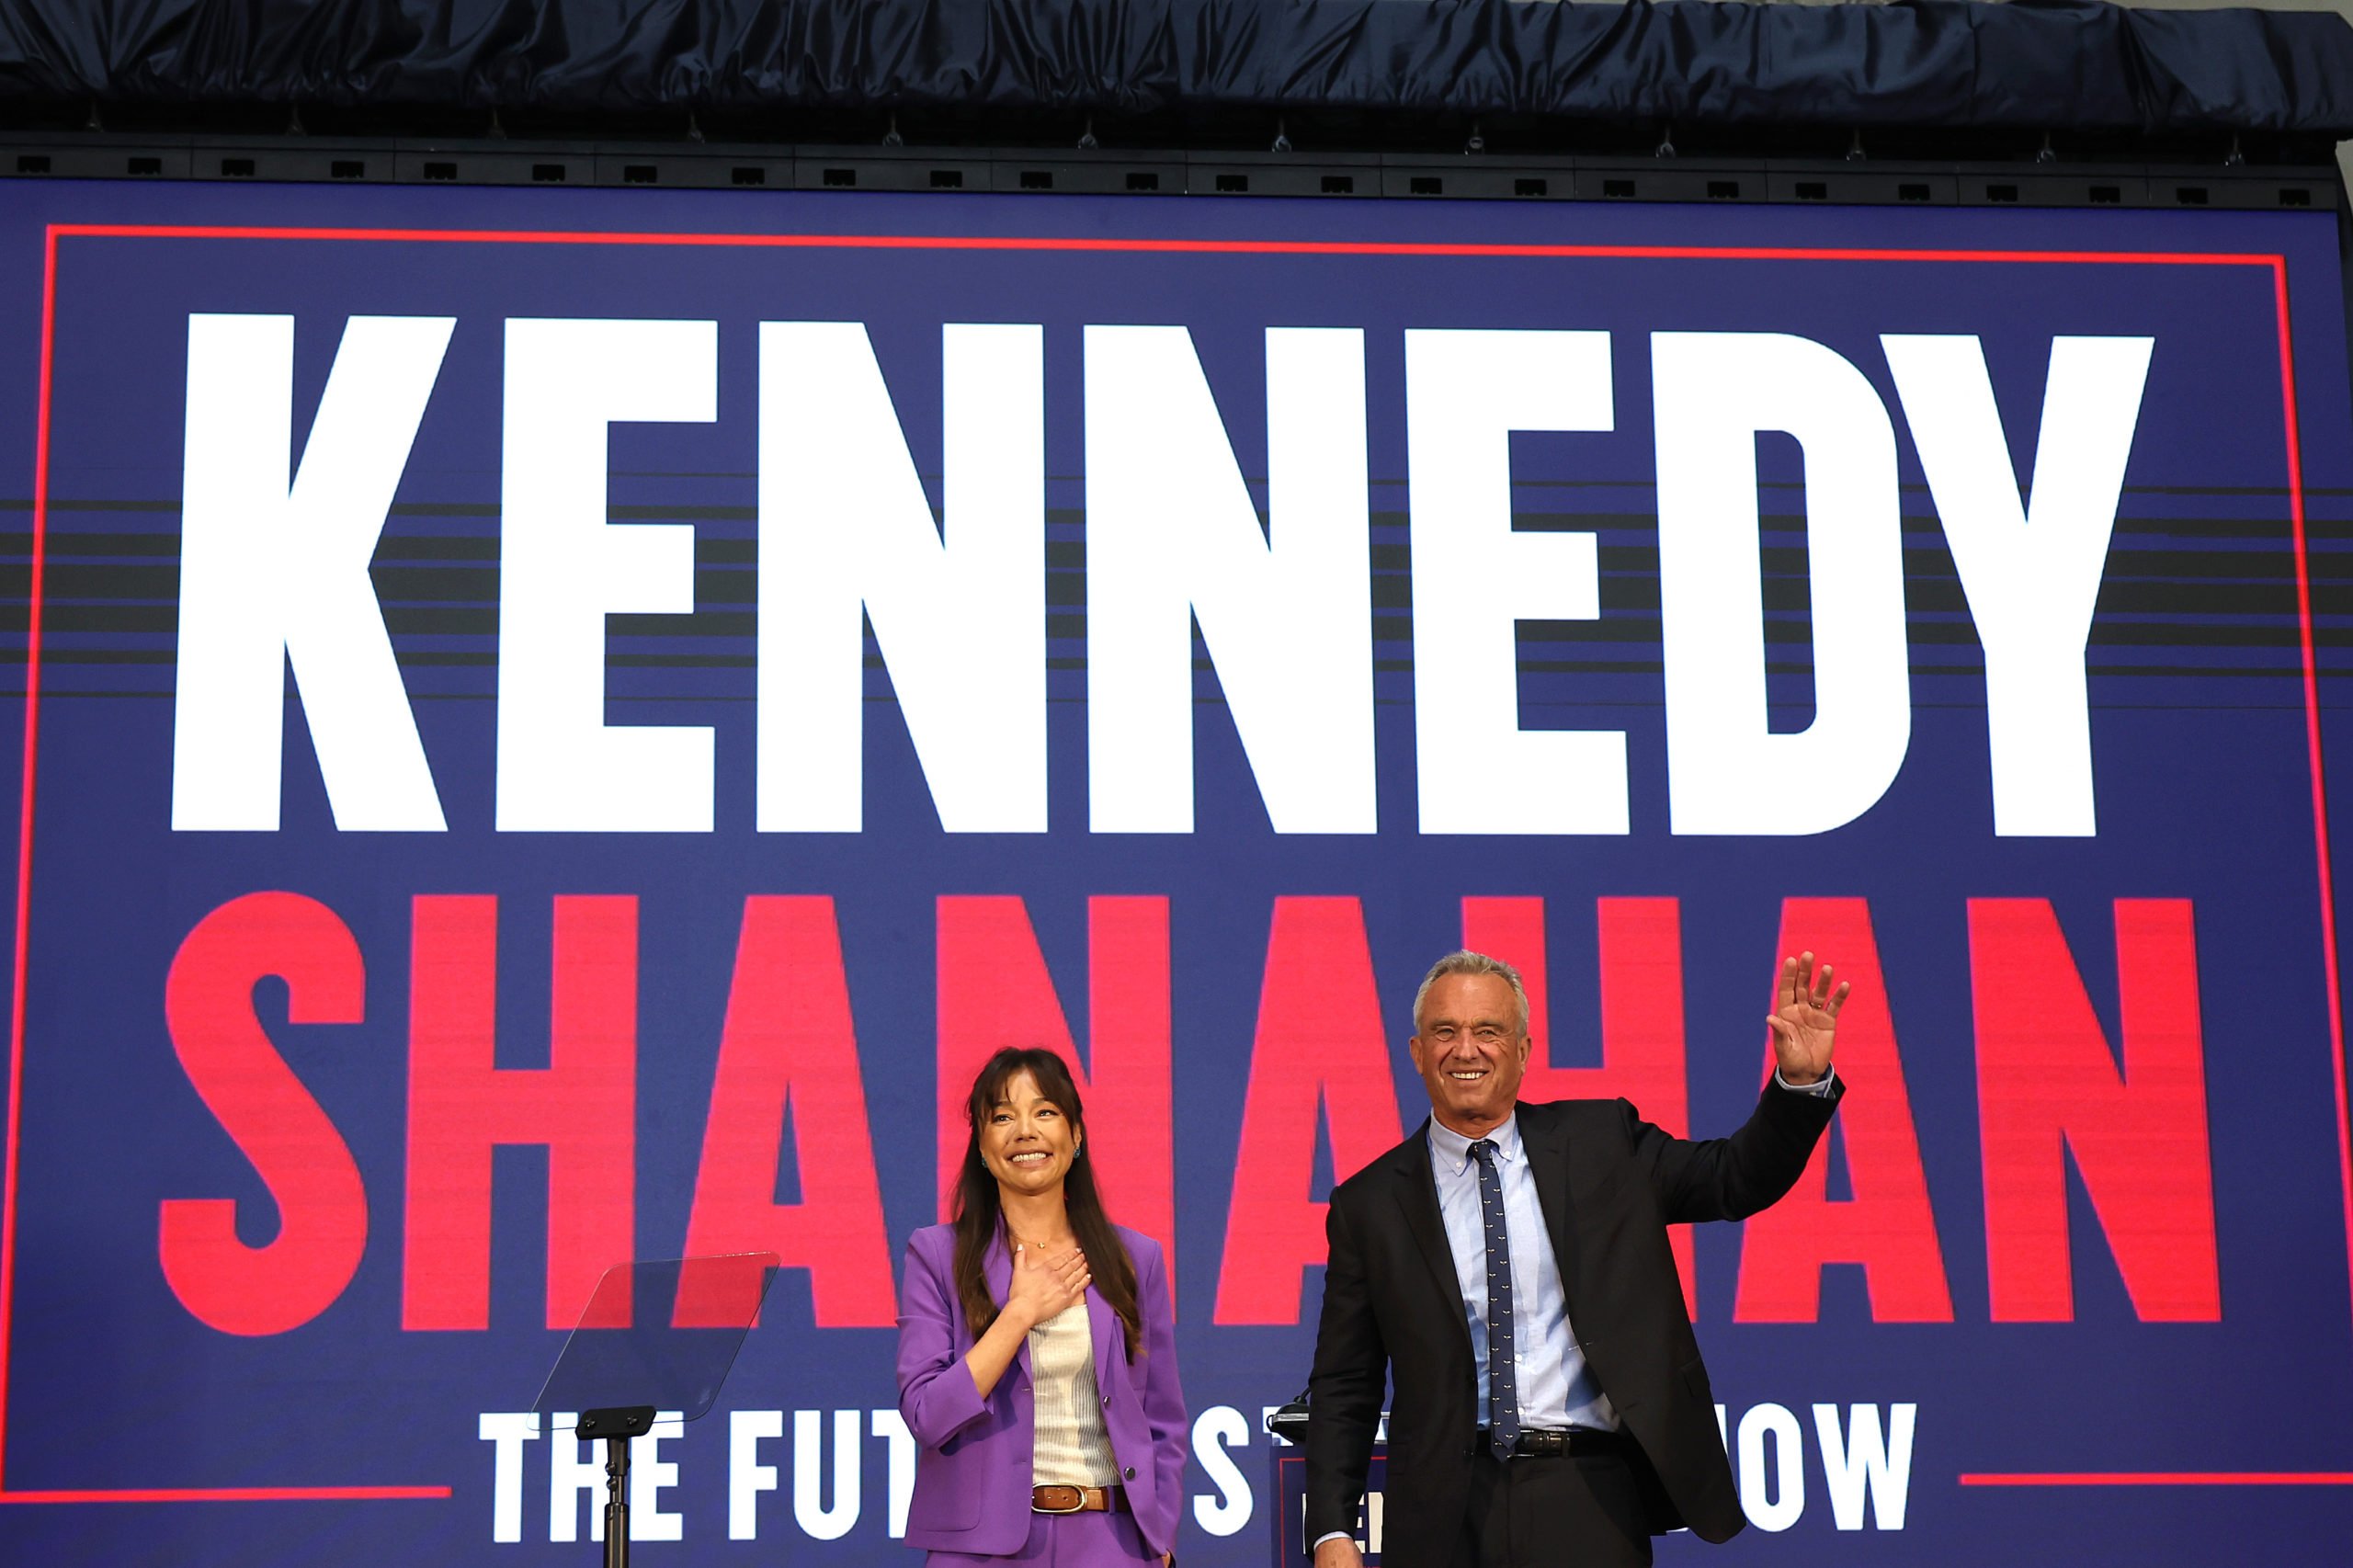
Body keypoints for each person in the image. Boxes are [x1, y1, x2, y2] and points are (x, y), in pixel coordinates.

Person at [1305, 949, 1848, 1568]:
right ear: (1415, 1052)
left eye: (1488, 1031)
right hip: (1442, 1513)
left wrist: (1798, 1086)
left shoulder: (1602, 1145)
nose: (1465, 1050)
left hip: (1590, 1496)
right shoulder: (1368, 1204)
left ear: (1523, 1050)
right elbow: (1345, 1383)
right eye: (1444, 1032)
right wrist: (1331, 1528)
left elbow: (1734, 1179)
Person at [898, 1047, 1188, 1565]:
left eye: (1045, 1112)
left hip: (1112, 1542)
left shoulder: (1134, 1259)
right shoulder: (937, 1254)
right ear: (982, 1150)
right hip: (980, 1549)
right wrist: (1018, 1314)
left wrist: (1159, 1537)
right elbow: (926, 1414)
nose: (1025, 1131)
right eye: (1003, 1117)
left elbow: (1163, 1420)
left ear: (1075, 1136)